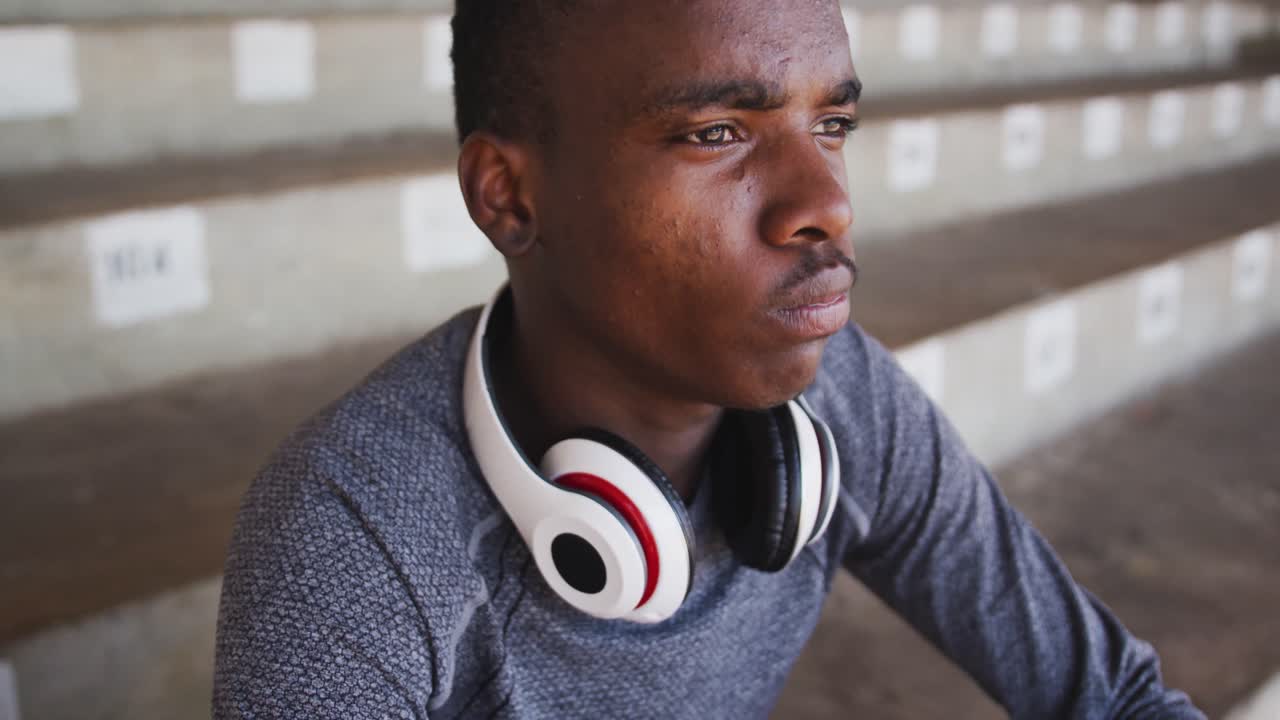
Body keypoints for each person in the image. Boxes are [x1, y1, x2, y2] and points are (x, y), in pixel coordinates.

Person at [212, 1, 1206, 717]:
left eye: (830, 124)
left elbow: (1111, 698)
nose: (825, 202)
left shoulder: (841, 399)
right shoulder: (351, 537)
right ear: (508, 197)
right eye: (717, 132)